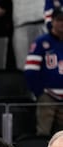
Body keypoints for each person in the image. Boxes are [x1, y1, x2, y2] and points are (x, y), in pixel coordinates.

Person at [25, 8, 63, 136]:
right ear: (52, 21)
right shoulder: (41, 42)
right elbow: (31, 71)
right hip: (48, 96)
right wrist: (40, 93)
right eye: (59, 20)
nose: (62, 23)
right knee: (43, 135)